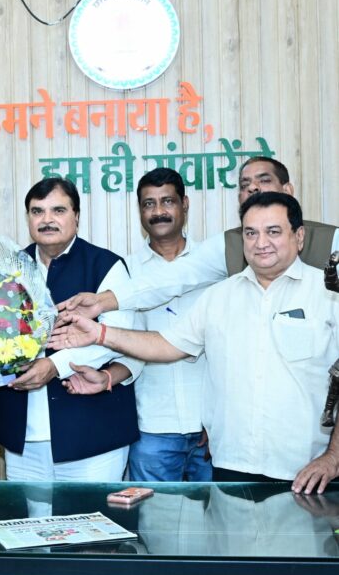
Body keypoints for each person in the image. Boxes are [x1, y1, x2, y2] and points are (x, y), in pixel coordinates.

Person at [50, 192, 339, 489]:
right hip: (231, 467)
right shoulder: (219, 296)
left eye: (273, 231)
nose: (260, 242)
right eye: (251, 233)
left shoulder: (329, 295)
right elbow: (165, 345)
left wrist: (333, 457)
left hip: (307, 472)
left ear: (299, 236)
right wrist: (101, 334)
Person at [0, 178, 143, 482]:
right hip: (23, 438)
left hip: (92, 434)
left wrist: (54, 365)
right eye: (37, 211)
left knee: (93, 513)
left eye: (58, 210)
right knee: (25, 514)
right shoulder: (7, 269)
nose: (47, 220)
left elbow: (118, 338)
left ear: (76, 216)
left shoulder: (106, 265)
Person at [60, 156, 339, 318]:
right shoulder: (229, 245)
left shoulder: (331, 240)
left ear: (287, 189)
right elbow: (171, 278)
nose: (253, 188)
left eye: (264, 180)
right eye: (245, 184)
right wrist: (103, 301)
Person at [124, 169, 212, 481]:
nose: (158, 211)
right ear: (140, 211)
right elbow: (125, 350)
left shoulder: (214, 264)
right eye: (149, 204)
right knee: (154, 513)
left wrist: (219, 419)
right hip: (152, 429)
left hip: (211, 427)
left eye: (167, 201)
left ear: (184, 204)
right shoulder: (125, 272)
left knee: (221, 512)